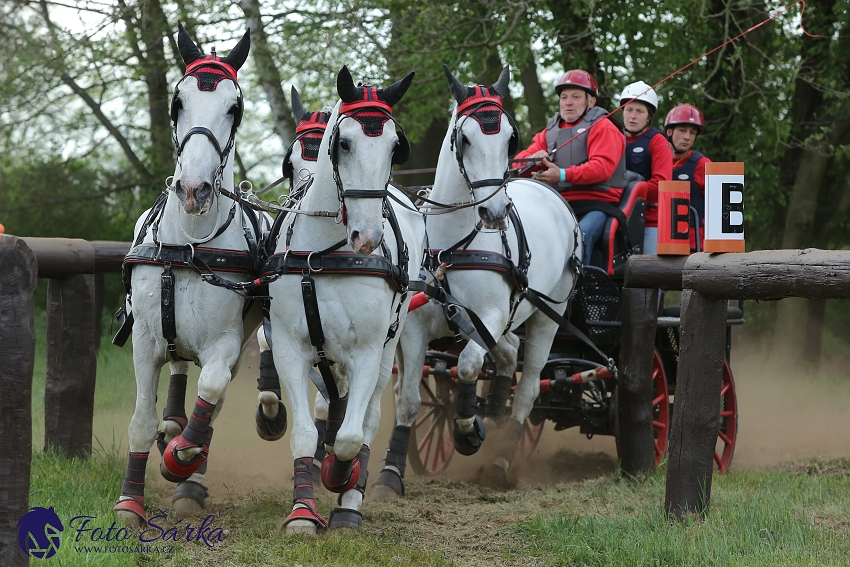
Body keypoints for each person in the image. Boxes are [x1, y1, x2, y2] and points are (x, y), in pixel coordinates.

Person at [513, 69, 626, 265]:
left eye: (575, 96)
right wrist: (533, 158)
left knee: (580, 235)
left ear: (591, 101)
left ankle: (579, 288)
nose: (568, 102)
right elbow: (519, 161)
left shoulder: (604, 127)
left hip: (597, 205)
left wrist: (562, 175)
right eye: (564, 97)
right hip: (558, 203)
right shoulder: (549, 132)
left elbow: (602, 168)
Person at [619, 81, 672, 255]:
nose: (633, 116)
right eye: (629, 109)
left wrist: (626, 191)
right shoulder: (613, 137)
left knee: (648, 273)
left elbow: (662, 184)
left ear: (648, 117)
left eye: (639, 111)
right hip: (616, 218)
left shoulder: (657, 141)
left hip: (649, 220)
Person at [664, 104, 711, 251]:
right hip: (661, 239)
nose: (687, 137)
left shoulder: (702, 164)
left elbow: (719, 210)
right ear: (669, 131)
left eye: (692, 132)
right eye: (682, 130)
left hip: (694, 246)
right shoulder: (656, 159)